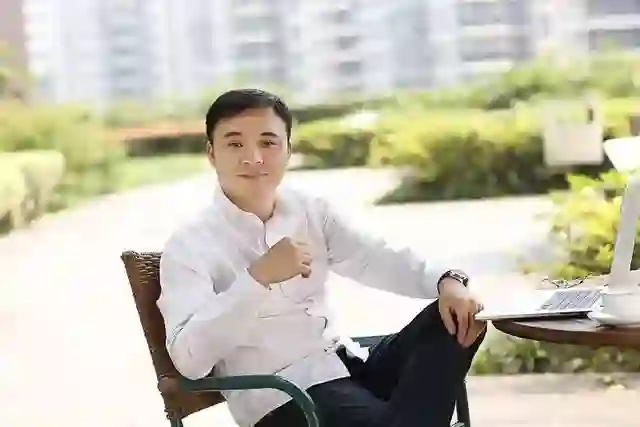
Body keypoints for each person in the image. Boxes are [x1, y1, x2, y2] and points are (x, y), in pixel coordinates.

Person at [157, 88, 487, 427]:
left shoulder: (311, 211)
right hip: (285, 397)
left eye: (268, 143)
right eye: (235, 144)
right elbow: (189, 360)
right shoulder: (190, 245)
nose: (253, 157)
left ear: (288, 150)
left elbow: (377, 257)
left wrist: (448, 280)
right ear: (212, 154)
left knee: (458, 318)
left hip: (346, 368)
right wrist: (258, 279)